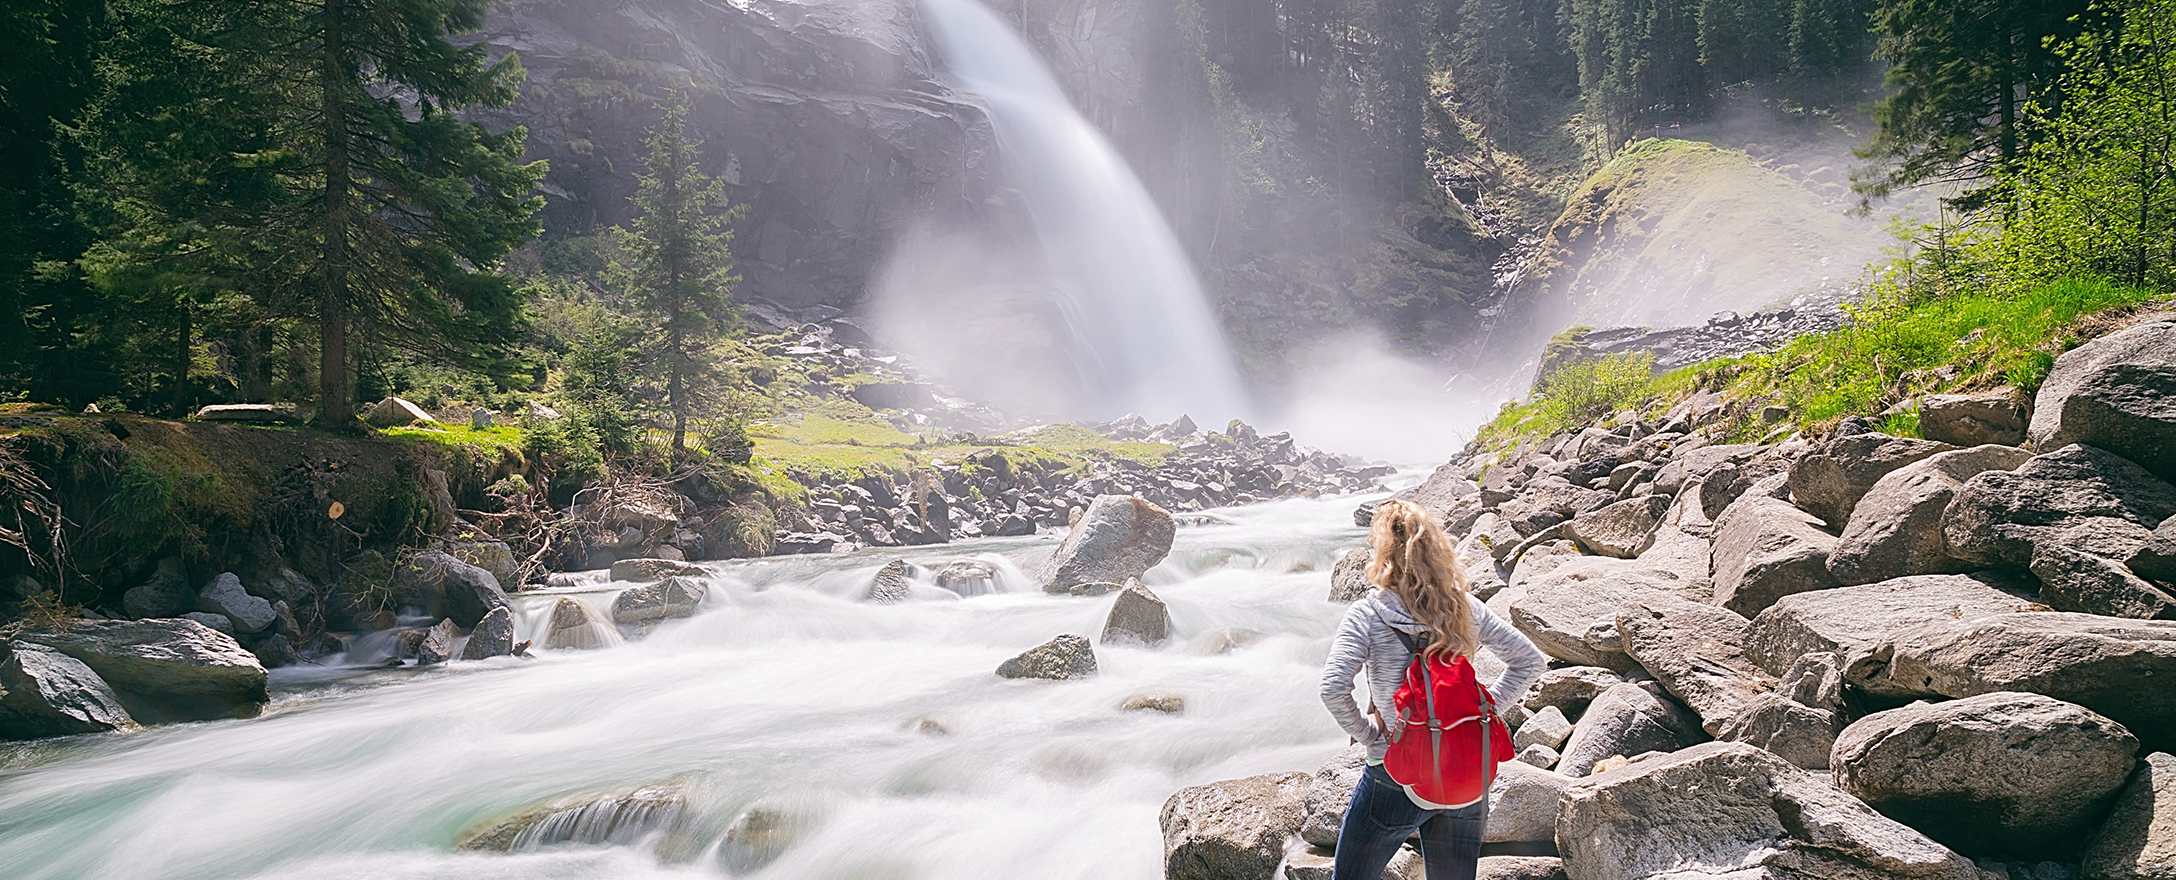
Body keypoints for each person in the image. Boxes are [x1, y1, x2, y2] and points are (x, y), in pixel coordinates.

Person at [1319, 499, 1547, 880]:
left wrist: (1373, 738)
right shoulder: (1466, 608)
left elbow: (1332, 688)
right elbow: (1530, 661)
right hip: (1464, 766)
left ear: (1383, 554)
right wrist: (1487, 711)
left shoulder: (1369, 613)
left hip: (1396, 772)